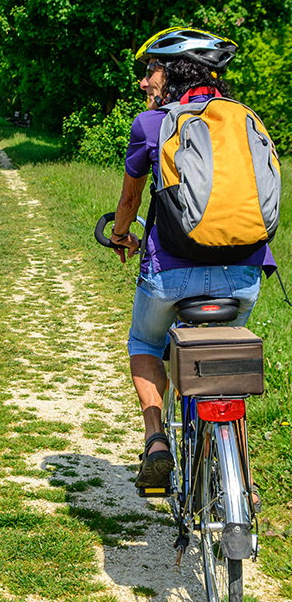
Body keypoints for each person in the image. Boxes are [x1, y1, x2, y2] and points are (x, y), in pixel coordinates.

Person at [109, 27, 275, 489]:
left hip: (171, 276)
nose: (144, 83)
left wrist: (121, 236)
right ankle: (239, 473)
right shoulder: (247, 119)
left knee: (144, 343)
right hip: (244, 275)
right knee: (225, 364)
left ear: (175, 72)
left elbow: (129, 201)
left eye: (151, 71)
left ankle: (156, 440)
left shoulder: (152, 124)